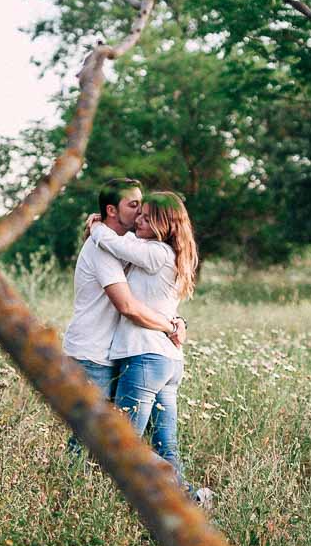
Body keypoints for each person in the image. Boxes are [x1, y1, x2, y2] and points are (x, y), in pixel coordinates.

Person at [85, 191, 213, 507]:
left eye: (145, 216)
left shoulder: (155, 251)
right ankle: (188, 506)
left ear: (161, 222)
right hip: (167, 361)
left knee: (122, 443)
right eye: (137, 214)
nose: (138, 220)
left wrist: (97, 227)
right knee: (166, 445)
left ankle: (156, 497)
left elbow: (116, 244)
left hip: (144, 357)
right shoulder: (172, 255)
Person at [61, 180, 181, 452]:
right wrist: (169, 326)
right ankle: (75, 491)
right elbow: (127, 305)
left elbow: (153, 294)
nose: (140, 214)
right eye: (134, 206)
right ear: (112, 211)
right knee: (89, 439)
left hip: (117, 352)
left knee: (120, 438)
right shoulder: (101, 246)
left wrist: (178, 320)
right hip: (92, 354)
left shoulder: (126, 242)